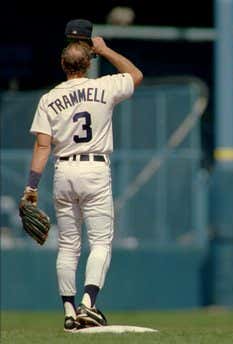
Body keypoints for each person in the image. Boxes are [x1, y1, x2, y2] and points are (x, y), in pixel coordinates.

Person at [20, 33, 143, 331]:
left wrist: (31, 187)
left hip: (63, 171)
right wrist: (105, 49)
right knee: (100, 241)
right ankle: (88, 304)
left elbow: (42, 147)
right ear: (88, 63)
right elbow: (135, 75)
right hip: (95, 169)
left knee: (68, 246)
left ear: (62, 64)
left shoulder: (48, 99)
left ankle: (68, 310)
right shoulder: (104, 86)